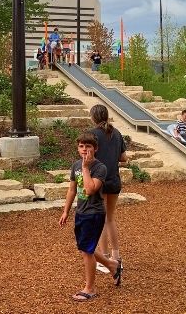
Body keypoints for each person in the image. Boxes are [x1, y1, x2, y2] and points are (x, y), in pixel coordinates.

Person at [59, 132, 123, 302]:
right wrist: (66, 211)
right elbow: (72, 189)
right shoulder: (75, 166)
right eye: (81, 146)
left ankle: (90, 288)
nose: (84, 150)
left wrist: (86, 168)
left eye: (88, 146)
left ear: (96, 148)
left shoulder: (100, 168)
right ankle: (112, 264)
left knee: (87, 251)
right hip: (81, 211)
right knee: (84, 248)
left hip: (94, 213)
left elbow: (89, 189)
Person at [89, 104, 127, 273]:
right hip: (114, 181)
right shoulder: (117, 133)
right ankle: (116, 257)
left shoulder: (92, 135)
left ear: (93, 117)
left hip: (99, 181)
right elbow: (123, 158)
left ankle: (103, 258)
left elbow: (87, 158)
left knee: (101, 219)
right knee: (110, 219)